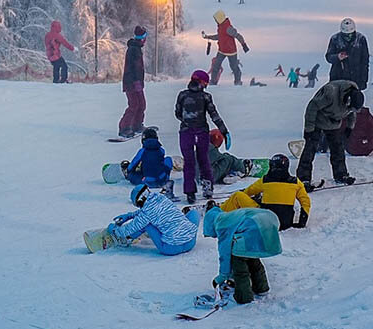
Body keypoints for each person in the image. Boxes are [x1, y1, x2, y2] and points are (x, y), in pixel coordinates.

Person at [201, 203, 282, 305]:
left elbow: (225, 254)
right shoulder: (231, 217)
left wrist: (222, 276)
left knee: (240, 266)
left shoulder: (221, 224)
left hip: (255, 224)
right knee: (252, 258)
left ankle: (244, 297)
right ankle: (262, 288)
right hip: (269, 218)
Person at [175, 70, 229, 203]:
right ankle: (207, 188)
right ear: (203, 82)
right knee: (204, 160)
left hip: (186, 132)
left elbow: (177, 113)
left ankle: (190, 193)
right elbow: (214, 115)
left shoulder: (182, 95)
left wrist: (187, 121)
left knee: (189, 162)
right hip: (201, 132)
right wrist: (224, 131)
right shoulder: (206, 97)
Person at [296, 79, 364, 186]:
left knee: (338, 148)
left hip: (334, 123)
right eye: (350, 107)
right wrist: (309, 129)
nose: (350, 109)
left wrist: (350, 127)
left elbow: (352, 113)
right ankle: (303, 178)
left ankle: (341, 175)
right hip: (317, 120)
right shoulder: (330, 93)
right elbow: (312, 108)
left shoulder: (354, 96)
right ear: (348, 99)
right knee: (310, 149)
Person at [219, 154, 310, 230]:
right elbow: (306, 201)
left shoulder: (266, 180)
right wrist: (302, 221)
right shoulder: (295, 182)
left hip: (264, 221)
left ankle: (218, 212)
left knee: (237, 196)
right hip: (285, 224)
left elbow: (247, 192)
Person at [106, 183, 201, 256]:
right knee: (193, 213)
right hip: (190, 242)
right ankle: (179, 229)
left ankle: (126, 240)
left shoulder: (146, 214)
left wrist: (115, 230)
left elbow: (130, 228)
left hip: (171, 248)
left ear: (139, 202)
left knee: (146, 224)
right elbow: (148, 210)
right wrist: (129, 215)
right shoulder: (161, 197)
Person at [203, 10, 250, 85]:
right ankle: (213, 81)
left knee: (234, 67)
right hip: (221, 50)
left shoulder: (228, 28)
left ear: (220, 19)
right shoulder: (221, 27)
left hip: (231, 51)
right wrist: (208, 37)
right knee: (216, 66)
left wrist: (244, 45)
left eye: (216, 19)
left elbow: (238, 36)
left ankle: (238, 81)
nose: (215, 21)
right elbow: (219, 37)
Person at [118, 26, 148, 138]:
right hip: (131, 83)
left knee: (141, 104)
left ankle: (136, 125)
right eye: (145, 37)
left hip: (136, 82)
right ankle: (124, 127)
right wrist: (136, 82)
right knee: (134, 104)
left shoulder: (136, 48)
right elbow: (134, 67)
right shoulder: (133, 49)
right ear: (142, 38)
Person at [326, 17, 370, 90]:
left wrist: (363, 80)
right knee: (337, 100)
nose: (348, 36)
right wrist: (338, 57)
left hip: (355, 79)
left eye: (350, 34)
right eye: (345, 35)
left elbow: (365, 62)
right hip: (337, 79)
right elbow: (328, 57)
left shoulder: (361, 39)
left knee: (356, 100)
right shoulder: (335, 39)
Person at [124, 126, 174, 191]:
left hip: (148, 181)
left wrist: (129, 170)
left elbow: (133, 164)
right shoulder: (161, 150)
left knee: (132, 175)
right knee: (168, 159)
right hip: (162, 179)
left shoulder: (142, 151)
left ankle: (128, 175)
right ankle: (164, 177)